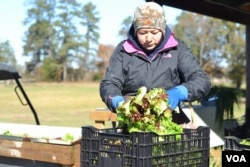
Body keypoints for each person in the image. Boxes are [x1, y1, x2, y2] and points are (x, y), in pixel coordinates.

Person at [99, 2, 211, 124]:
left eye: (154, 32)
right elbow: (109, 83)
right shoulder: (123, 50)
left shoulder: (178, 49)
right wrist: (115, 100)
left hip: (169, 120)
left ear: (162, 30)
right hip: (132, 121)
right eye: (143, 33)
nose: (148, 39)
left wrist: (180, 92)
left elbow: (201, 80)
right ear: (135, 31)